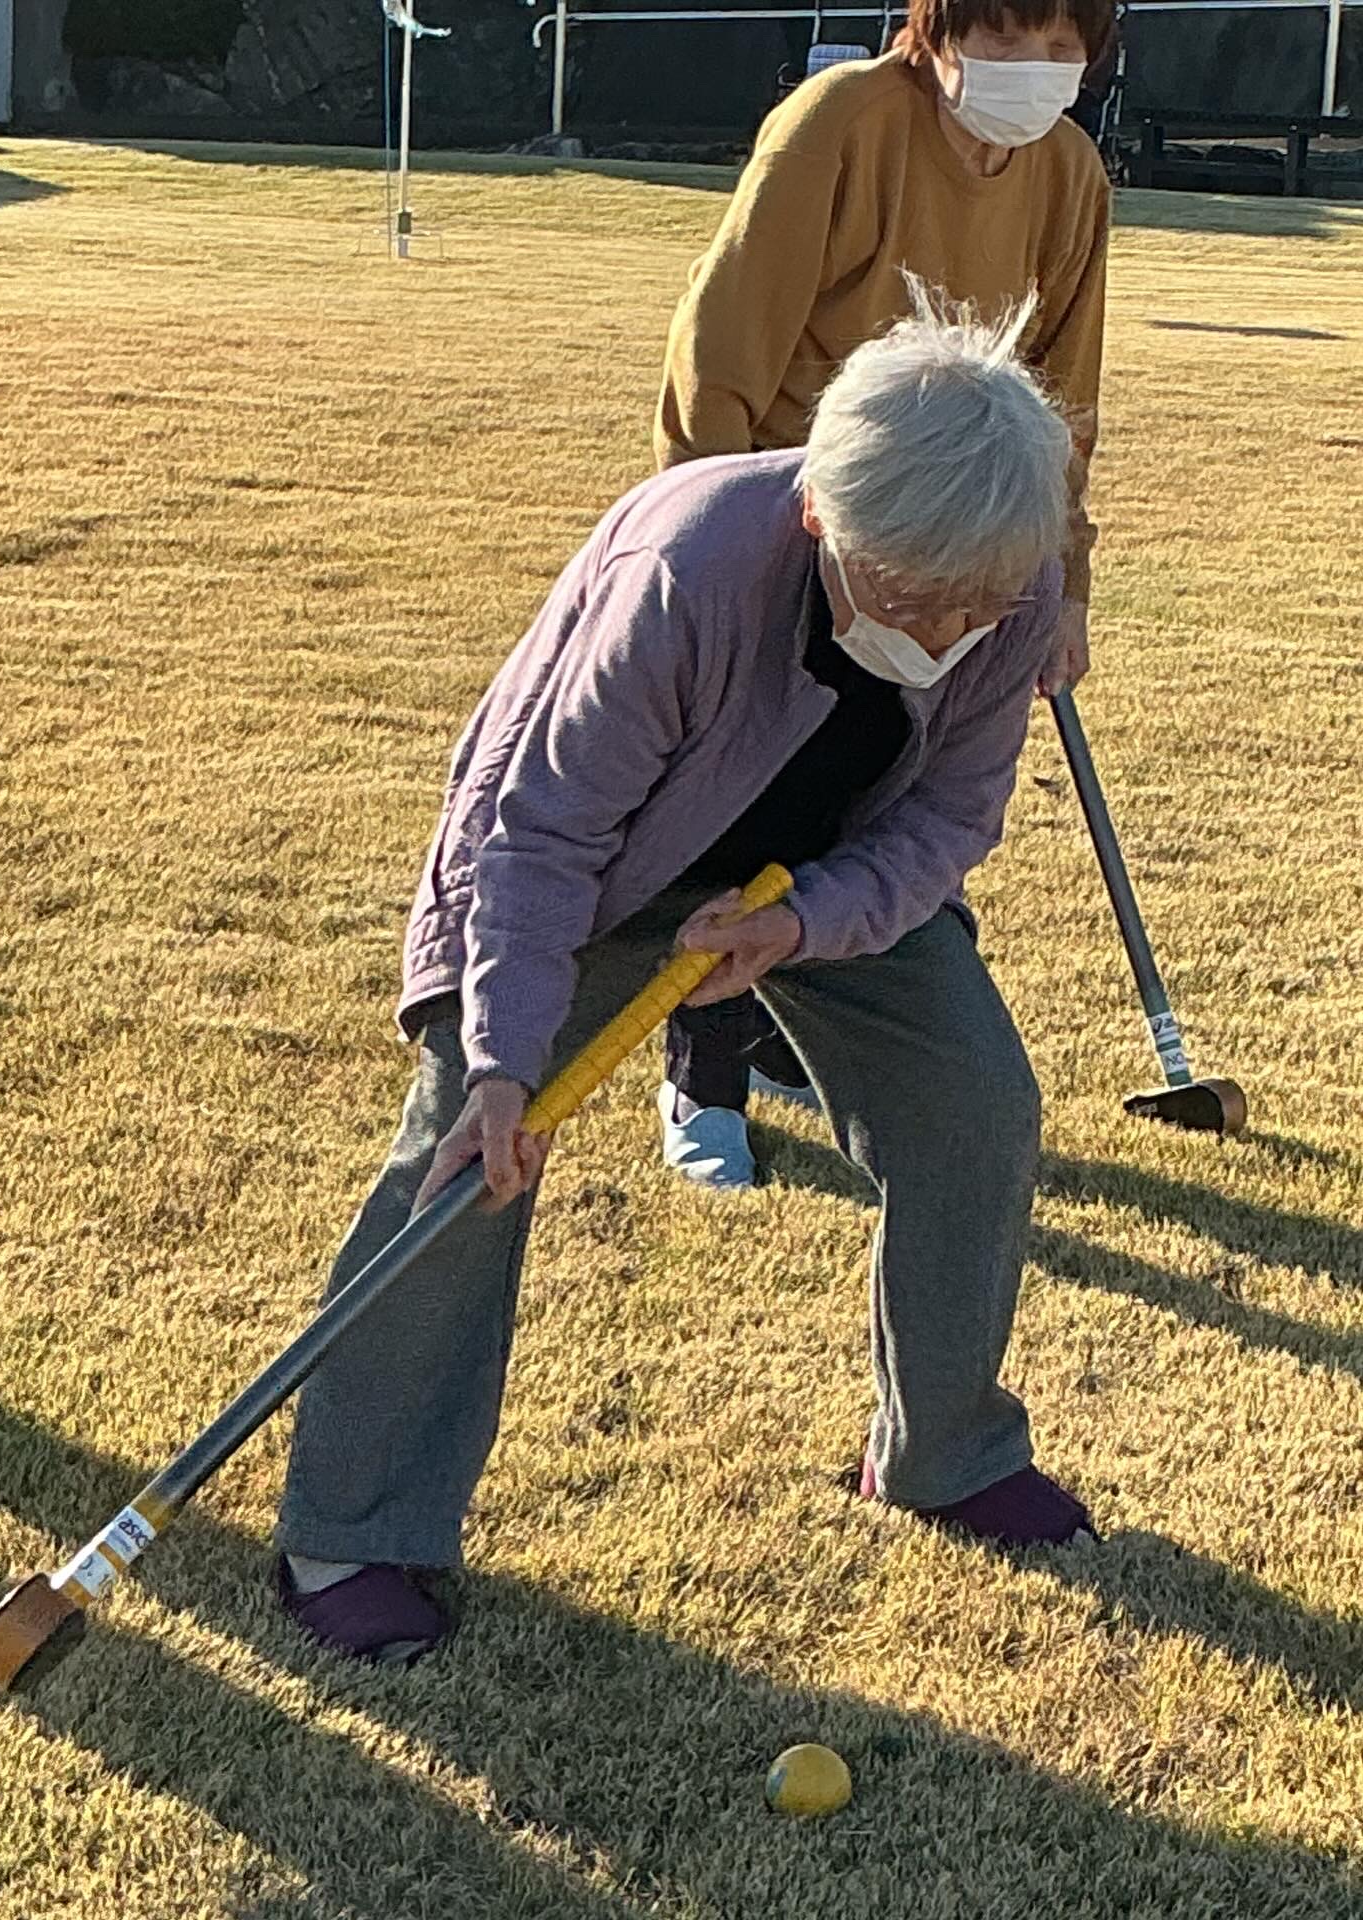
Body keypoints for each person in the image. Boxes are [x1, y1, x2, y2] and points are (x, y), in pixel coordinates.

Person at [273, 295, 1097, 1667]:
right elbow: (540, 837)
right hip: (594, 867)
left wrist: (805, 922)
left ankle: (940, 1453)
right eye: (913, 600)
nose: (951, 630)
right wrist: (503, 1063)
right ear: (824, 519)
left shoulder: (1008, 584)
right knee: (470, 1153)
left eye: (979, 606)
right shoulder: (684, 569)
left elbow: (950, 820)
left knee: (975, 1105)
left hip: (819, 870)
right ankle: (351, 1531)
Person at [654, 0, 1115, 1190]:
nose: (1034, 71)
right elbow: (721, 349)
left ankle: (805, 1038)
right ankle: (703, 1074)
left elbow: (1063, 398)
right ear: (937, 34)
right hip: (799, 529)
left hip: (955, 551)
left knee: (887, 801)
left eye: (1061, 49)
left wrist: (1062, 579)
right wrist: (713, 545)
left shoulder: (1070, 173)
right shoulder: (841, 125)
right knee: (745, 806)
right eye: (1004, 41)